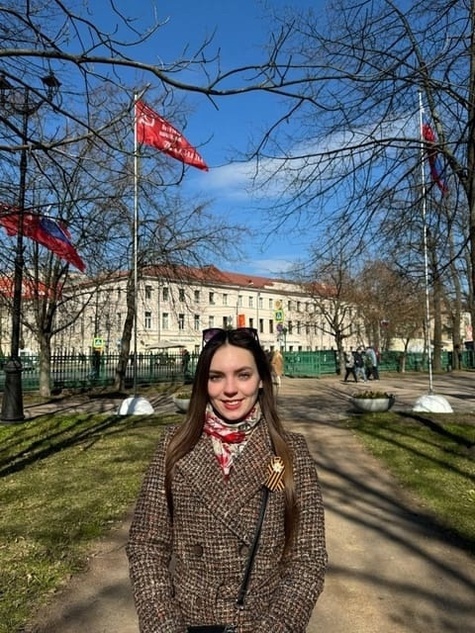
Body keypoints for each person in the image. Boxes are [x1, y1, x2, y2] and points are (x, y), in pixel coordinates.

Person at [127, 326, 327, 633]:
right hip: (187, 623)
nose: (230, 389)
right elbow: (146, 547)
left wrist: (276, 628)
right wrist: (165, 626)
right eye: (216, 377)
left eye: (243, 375)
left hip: (262, 623)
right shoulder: (175, 445)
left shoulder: (291, 451)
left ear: (261, 379)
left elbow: (307, 558)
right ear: (203, 383)